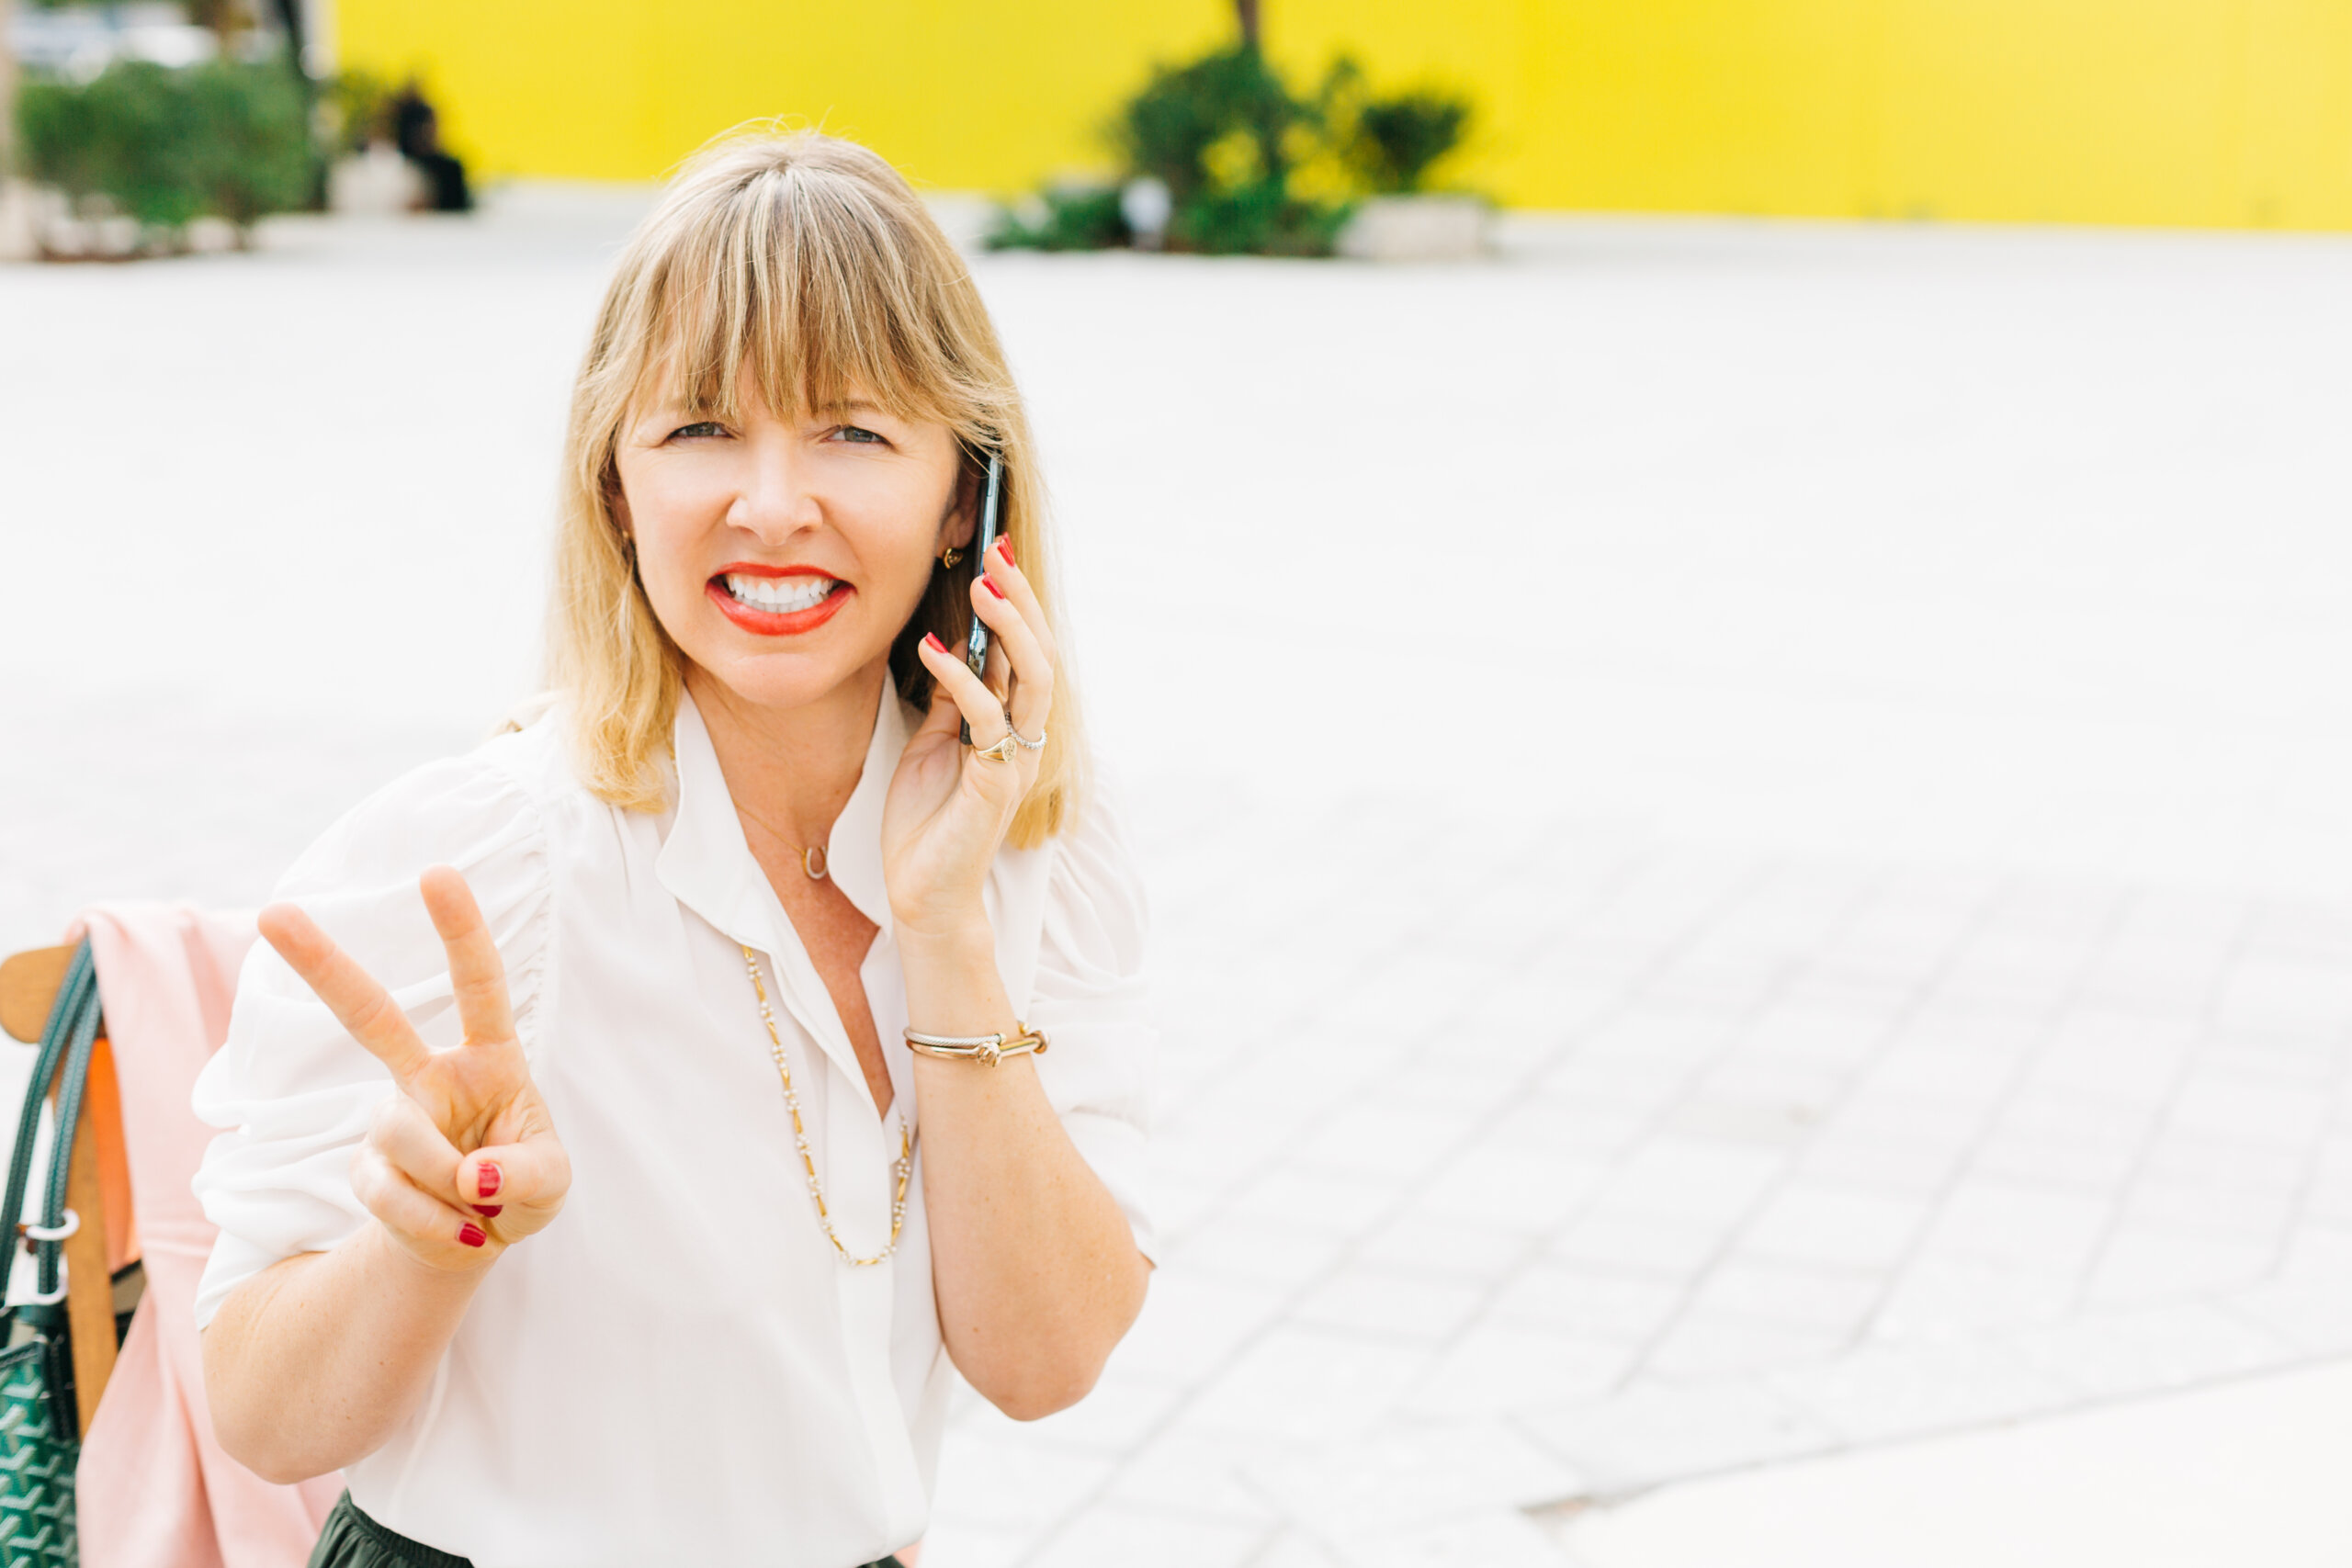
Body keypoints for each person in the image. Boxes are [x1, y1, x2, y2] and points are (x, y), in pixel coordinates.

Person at [191, 130, 1156, 1568]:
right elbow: (263, 1418)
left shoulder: (1025, 856)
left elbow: (1045, 1364)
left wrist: (946, 932)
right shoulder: (487, 862)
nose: (772, 503)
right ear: (614, 487)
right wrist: (420, 1239)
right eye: (700, 429)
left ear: (968, 499)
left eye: (854, 429)